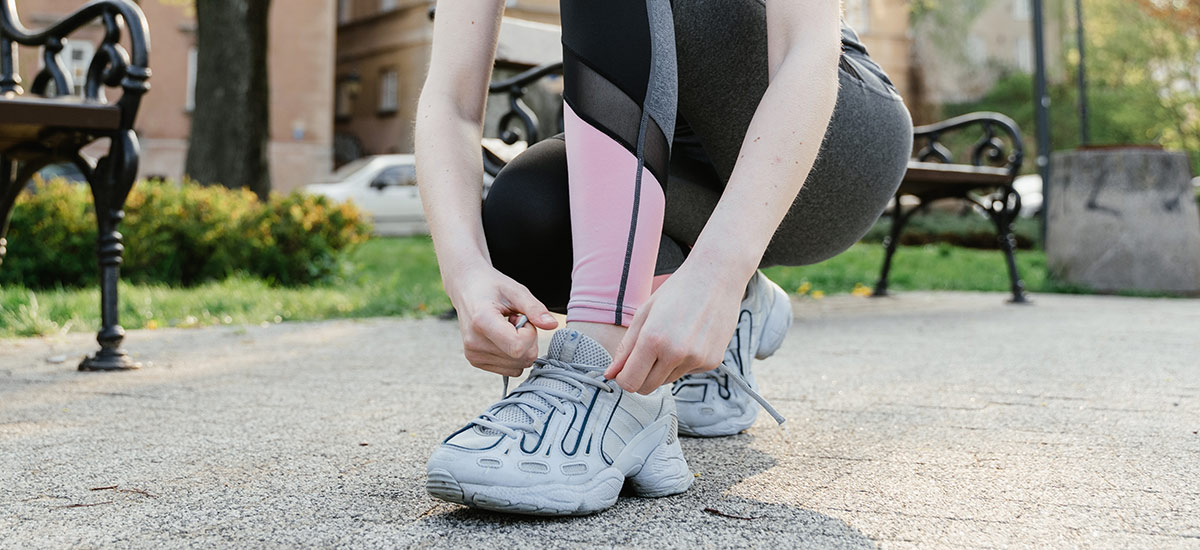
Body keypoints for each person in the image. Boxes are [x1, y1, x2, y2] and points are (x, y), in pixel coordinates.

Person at [415, 0, 911, 516]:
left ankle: (600, 360)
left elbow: (804, 47)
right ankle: (701, 337)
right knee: (529, 208)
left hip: (833, 150)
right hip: (688, 179)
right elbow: (450, 101)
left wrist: (719, 273)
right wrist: (465, 273)